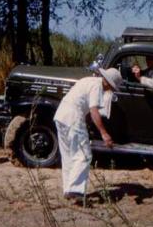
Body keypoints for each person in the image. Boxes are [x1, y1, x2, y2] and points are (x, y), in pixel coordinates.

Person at [53, 68, 123, 203]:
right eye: (112, 87)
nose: (111, 90)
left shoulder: (88, 80)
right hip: (73, 117)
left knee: (69, 155)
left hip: (61, 115)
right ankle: (76, 190)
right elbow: (94, 111)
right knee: (84, 155)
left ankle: (68, 189)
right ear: (108, 83)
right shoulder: (97, 86)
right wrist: (104, 133)